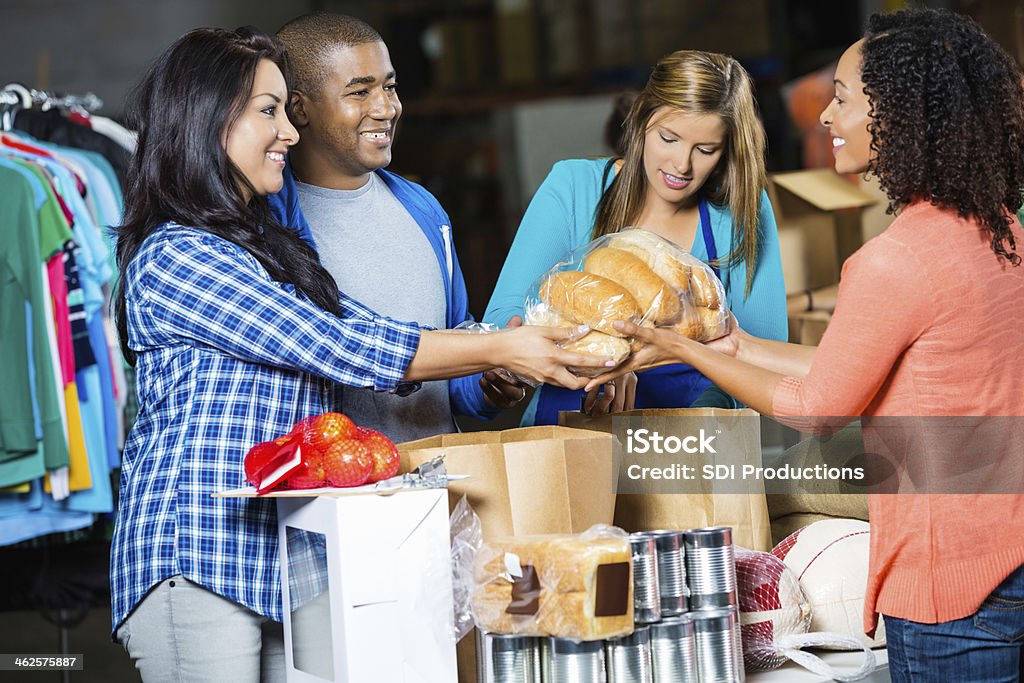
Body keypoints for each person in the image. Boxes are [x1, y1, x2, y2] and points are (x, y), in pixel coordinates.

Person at [109, 27, 610, 681]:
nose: (287, 130)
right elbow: (340, 344)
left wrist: (499, 354)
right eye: (269, 110)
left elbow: (368, 326)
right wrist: (504, 343)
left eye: (285, 109)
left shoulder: (265, 249)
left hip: (284, 553)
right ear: (208, 120)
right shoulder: (178, 255)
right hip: (198, 552)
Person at [586, 9, 1024, 681]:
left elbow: (818, 407)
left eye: (842, 99)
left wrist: (682, 347)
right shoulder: (998, 233)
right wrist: (734, 344)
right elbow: (849, 369)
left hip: (949, 590)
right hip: (1007, 561)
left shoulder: (895, 260)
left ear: (897, 114)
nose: (825, 117)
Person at [266, 12, 570, 442]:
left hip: (437, 486)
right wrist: (493, 349)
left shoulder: (421, 208)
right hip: (333, 494)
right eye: (360, 92)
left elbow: (456, 342)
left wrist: (489, 379)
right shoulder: (266, 222)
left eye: (389, 86)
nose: (386, 108)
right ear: (299, 108)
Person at [484, 50, 788, 425]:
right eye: (669, 138)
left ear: (726, 150)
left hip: (695, 440)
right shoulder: (573, 188)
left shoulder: (740, 209)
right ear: (643, 119)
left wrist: (704, 406)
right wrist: (606, 362)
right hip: (569, 425)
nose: (682, 165)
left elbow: (763, 358)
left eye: (705, 149)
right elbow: (504, 320)